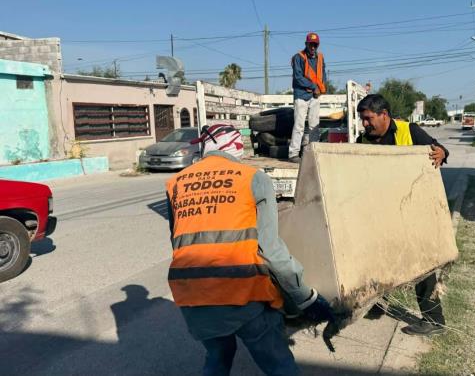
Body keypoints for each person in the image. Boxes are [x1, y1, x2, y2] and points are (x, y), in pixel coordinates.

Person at [165, 124, 335, 376]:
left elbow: (177, 240)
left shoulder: (175, 182)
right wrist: (305, 297)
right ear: (235, 147)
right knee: (279, 366)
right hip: (242, 291)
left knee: (217, 359)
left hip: (191, 294)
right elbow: (270, 249)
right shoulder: (251, 178)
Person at [356, 94, 449, 336]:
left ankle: (434, 321)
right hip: (381, 212)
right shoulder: (363, 140)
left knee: (421, 266)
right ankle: (377, 305)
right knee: (377, 259)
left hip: (413, 210)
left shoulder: (410, 131)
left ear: (384, 115)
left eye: (368, 119)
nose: (364, 124)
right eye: (362, 120)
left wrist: (442, 154)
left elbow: (439, 150)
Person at [288, 32, 326, 163]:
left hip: (315, 95)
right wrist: (313, 86)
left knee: (314, 125)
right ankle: (293, 154)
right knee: (299, 125)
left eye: (315, 45)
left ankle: (314, 153)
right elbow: (298, 77)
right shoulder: (298, 57)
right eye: (311, 44)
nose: (313, 47)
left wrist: (320, 89)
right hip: (301, 95)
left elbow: (323, 75)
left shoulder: (320, 58)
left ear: (318, 45)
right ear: (306, 44)